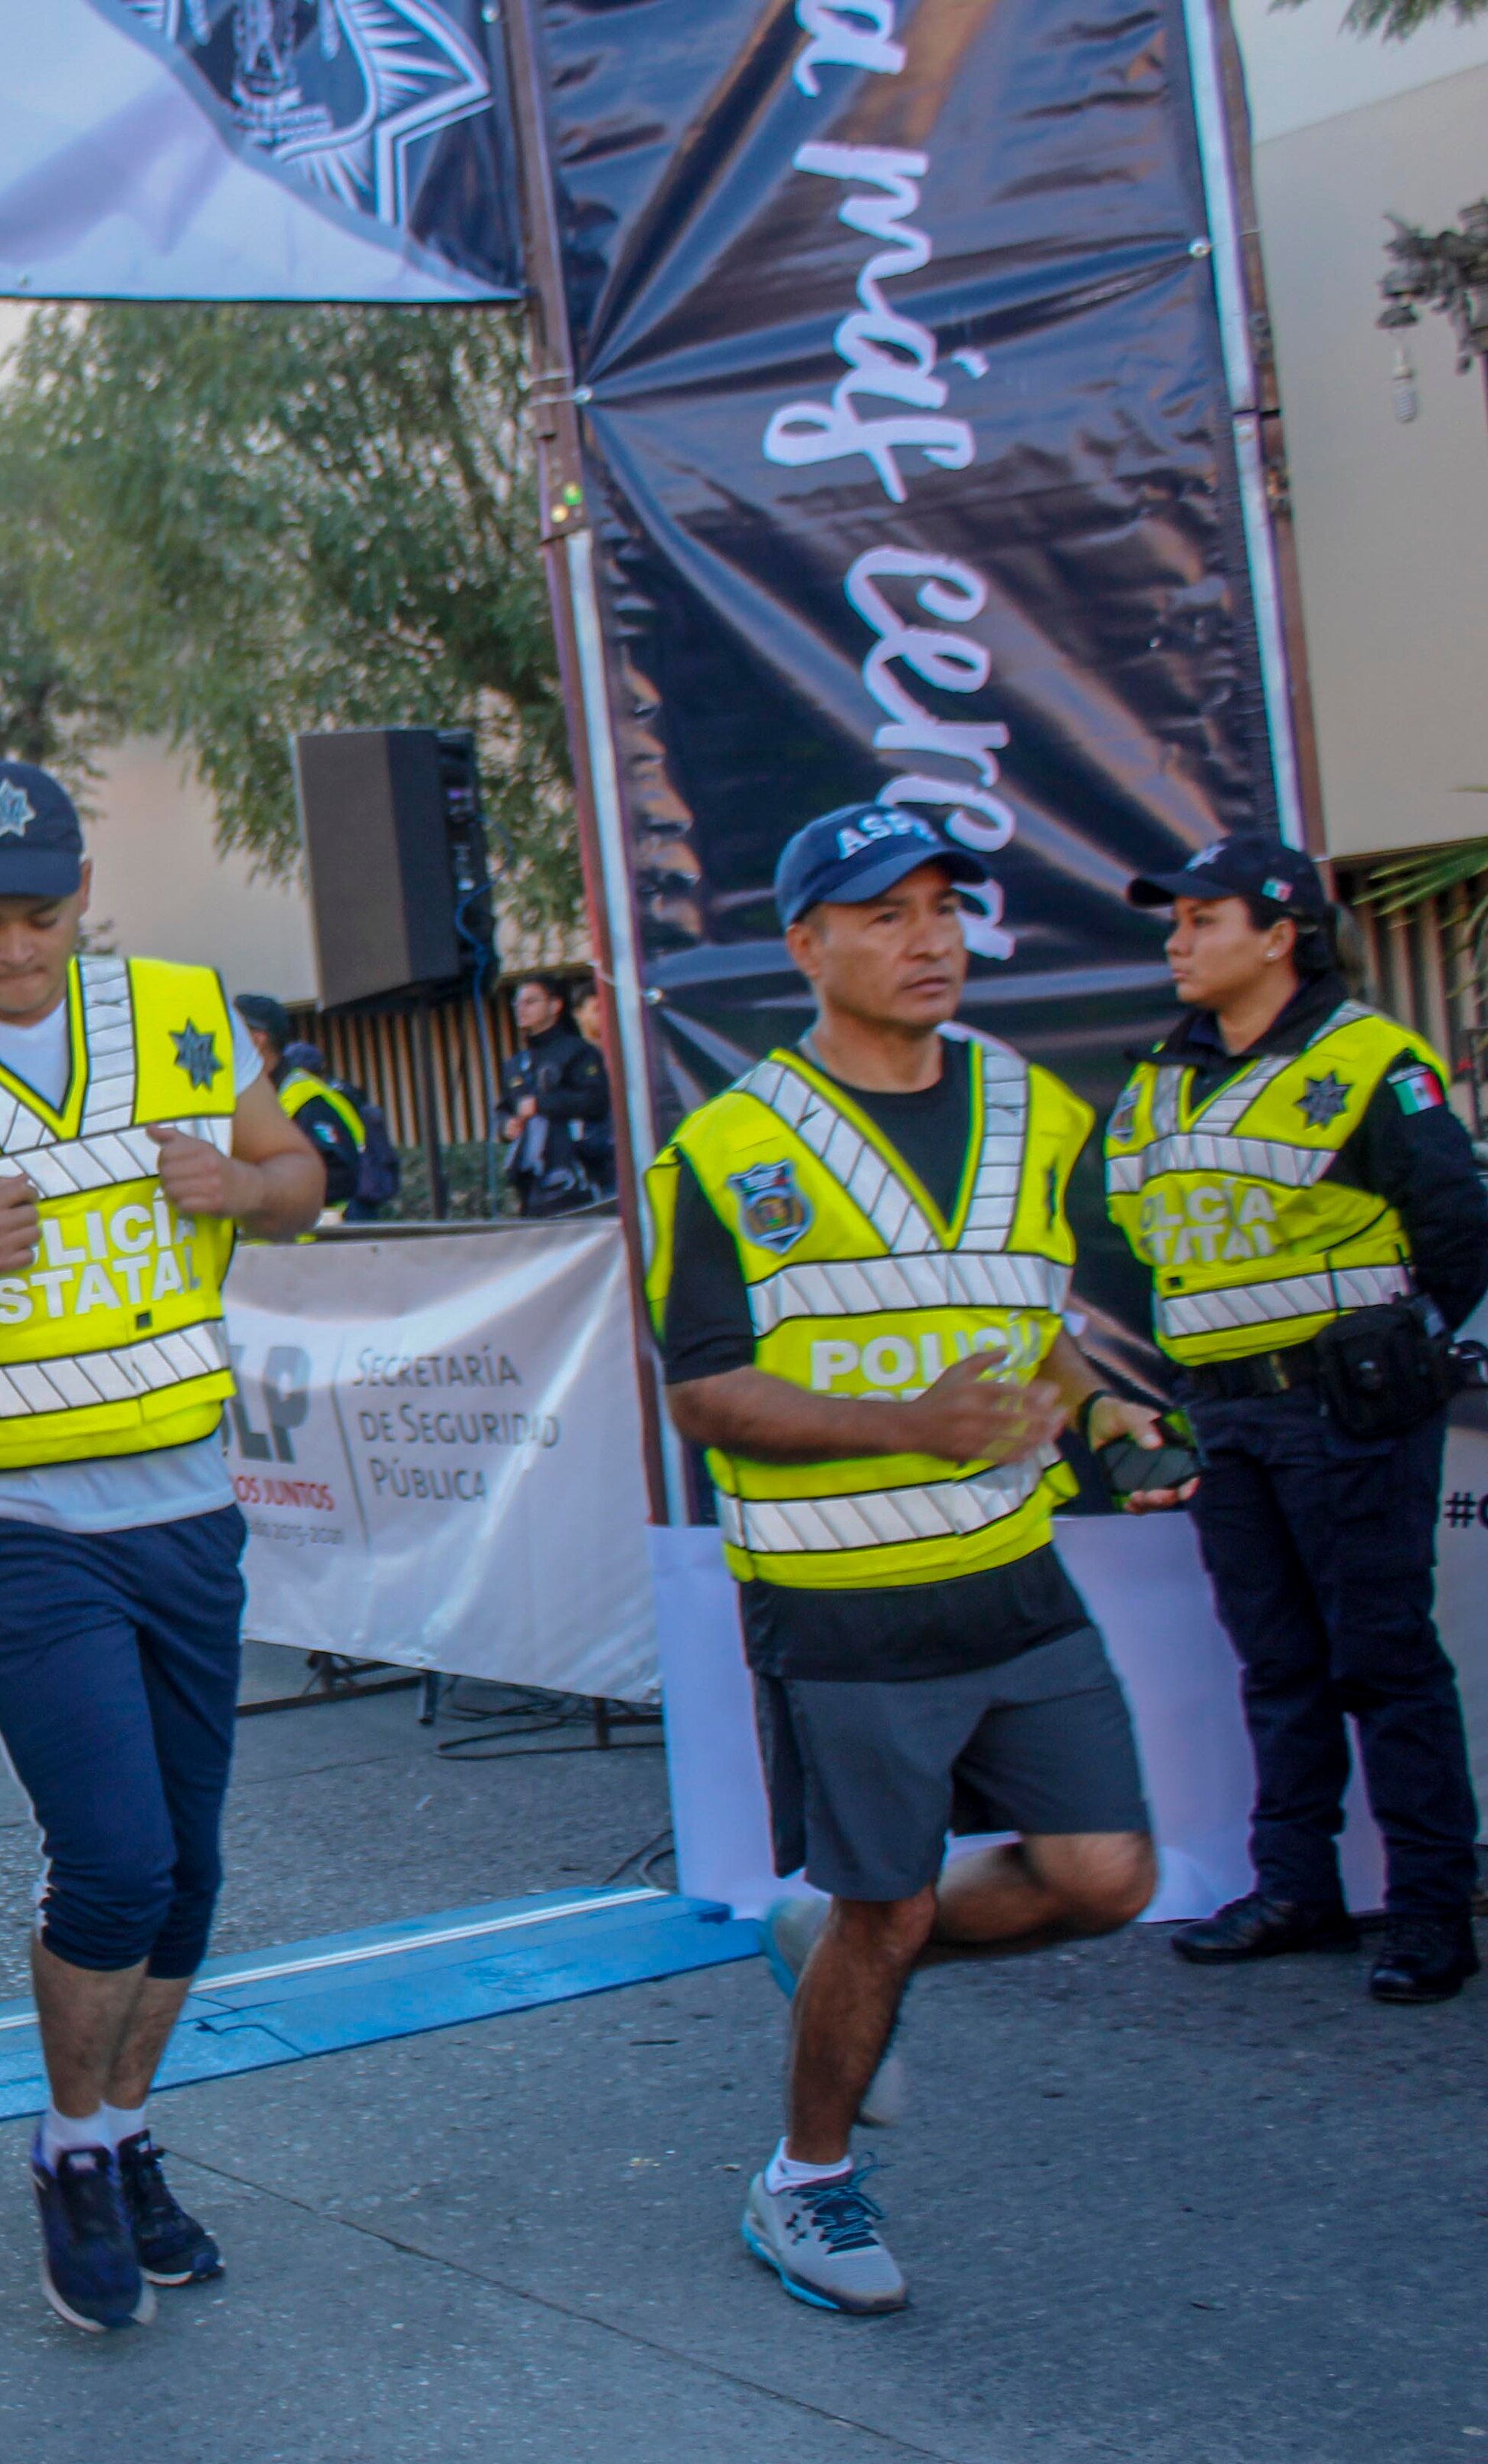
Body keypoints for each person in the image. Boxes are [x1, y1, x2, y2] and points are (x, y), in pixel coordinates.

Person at [643, 803, 1179, 2317]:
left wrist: (1108, 1404)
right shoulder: (726, 1147)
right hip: (837, 1603)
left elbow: (1035, 1326)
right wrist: (908, 1420)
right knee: (883, 1909)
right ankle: (800, 2180)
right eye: (883, 913)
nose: (927, 937)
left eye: (943, 906)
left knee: (1104, 1875)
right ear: (805, 945)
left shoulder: (1033, 1108)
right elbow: (700, 1389)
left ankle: (846, 1944)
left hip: (1012, 1582)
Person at [0, 761, 322, 2336]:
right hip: (9, 1516)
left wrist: (242, 1181)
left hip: (184, 1501)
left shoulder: (178, 1010)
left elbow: (298, 1179)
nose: (14, 949)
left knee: (190, 1864)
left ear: (83, 894)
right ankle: (71, 2146)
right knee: (115, 1855)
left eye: (39, 916)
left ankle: (116, 2129)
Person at [1112, 834, 1483, 2003]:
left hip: (1346, 1408)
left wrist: (1400, 1351)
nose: (1178, 941)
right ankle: (1296, 1889)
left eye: (1203, 919)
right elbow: (1133, 1236)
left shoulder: (1373, 1058)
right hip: (1226, 1416)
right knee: (1277, 1664)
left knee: (1384, 1660)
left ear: (1282, 934)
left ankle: (1431, 1912)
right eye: (1173, 922)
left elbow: (1461, 1229)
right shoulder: (1157, 1077)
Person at [236, 995, 389, 1225]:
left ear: (258, 1040)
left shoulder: (306, 1099)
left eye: (232, 1031)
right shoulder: (247, 1094)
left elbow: (339, 1175)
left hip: (316, 1247)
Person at [500, 972, 614, 1218]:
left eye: (531, 1002)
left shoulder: (578, 1052)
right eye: (517, 1003)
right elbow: (504, 1108)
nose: (521, 1009)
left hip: (575, 1173)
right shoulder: (516, 1063)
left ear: (555, 1005)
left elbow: (595, 1101)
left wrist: (541, 1104)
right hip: (530, 1182)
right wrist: (505, 1125)